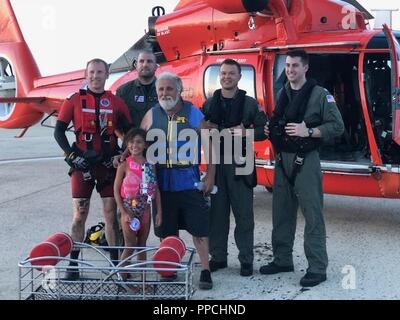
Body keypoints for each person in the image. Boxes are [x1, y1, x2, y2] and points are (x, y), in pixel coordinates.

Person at [261, 50, 344, 287]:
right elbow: (279, 120)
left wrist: (308, 131)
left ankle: (317, 268)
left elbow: (337, 127)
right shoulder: (283, 93)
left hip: (306, 159)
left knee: (313, 215)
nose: (290, 70)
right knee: (281, 212)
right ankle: (282, 259)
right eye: (287, 66)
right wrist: (271, 130)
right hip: (282, 159)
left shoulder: (320, 95)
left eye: (295, 66)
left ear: (306, 67)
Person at [54, 58, 132, 279]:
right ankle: (73, 264)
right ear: (85, 74)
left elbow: (131, 133)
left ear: (107, 75)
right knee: (80, 214)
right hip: (82, 164)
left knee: (110, 214)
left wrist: (121, 155)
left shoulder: (115, 102)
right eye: (91, 72)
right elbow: (59, 132)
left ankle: (115, 266)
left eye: (100, 72)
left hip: (108, 165)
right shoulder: (74, 100)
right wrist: (71, 156)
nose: (95, 76)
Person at [141, 72, 215, 290]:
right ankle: (170, 268)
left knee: (199, 230)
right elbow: (137, 142)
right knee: (167, 230)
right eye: (161, 90)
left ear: (179, 90)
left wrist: (210, 175)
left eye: (169, 89)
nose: (165, 93)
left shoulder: (192, 112)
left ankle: (205, 271)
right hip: (162, 183)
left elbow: (209, 145)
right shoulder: (152, 114)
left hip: (189, 180)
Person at [201, 59, 267, 277]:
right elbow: (198, 127)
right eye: (223, 73)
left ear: (239, 77)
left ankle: (246, 260)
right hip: (217, 162)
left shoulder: (250, 104)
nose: (227, 77)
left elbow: (265, 130)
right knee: (217, 214)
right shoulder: (210, 104)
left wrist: (246, 133)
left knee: (244, 214)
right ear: (219, 76)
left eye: (231, 73)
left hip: (241, 161)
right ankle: (218, 257)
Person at [114, 128, 162, 274]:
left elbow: (156, 189)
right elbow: (116, 190)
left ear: (145, 145)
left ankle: (142, 280)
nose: (135, 145)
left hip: (145, 209)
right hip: (129, 208)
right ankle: (120, 276)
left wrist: (159, 212)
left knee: (141, 245)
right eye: (132, 142)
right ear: (127, 145)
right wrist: (123, 212)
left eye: (139, 142)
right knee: (130, 245)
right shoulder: (124, 164)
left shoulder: (150, 165)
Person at [116, 50, 159, 128]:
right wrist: (125, 139)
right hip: (134, 139)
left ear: (156, 66)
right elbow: (116, 121)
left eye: (149, 61)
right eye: (141, 61)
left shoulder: (166, 90)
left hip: (159, 139)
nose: (145, 65)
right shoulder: (123, 91)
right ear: (136, 65)